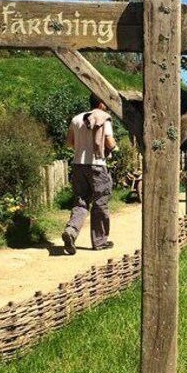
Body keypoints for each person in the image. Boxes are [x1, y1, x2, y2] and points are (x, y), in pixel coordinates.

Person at [61, 95, 117, 255]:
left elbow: (69, 142)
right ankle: (100, 241)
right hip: (97, 165)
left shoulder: (76, 119)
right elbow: (109, 142)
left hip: (78, 165)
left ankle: (71, 231)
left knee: (80, 201)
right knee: (100, 202)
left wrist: (82, 145)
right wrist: (114, 149)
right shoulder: (103, 118)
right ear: (101, 104)